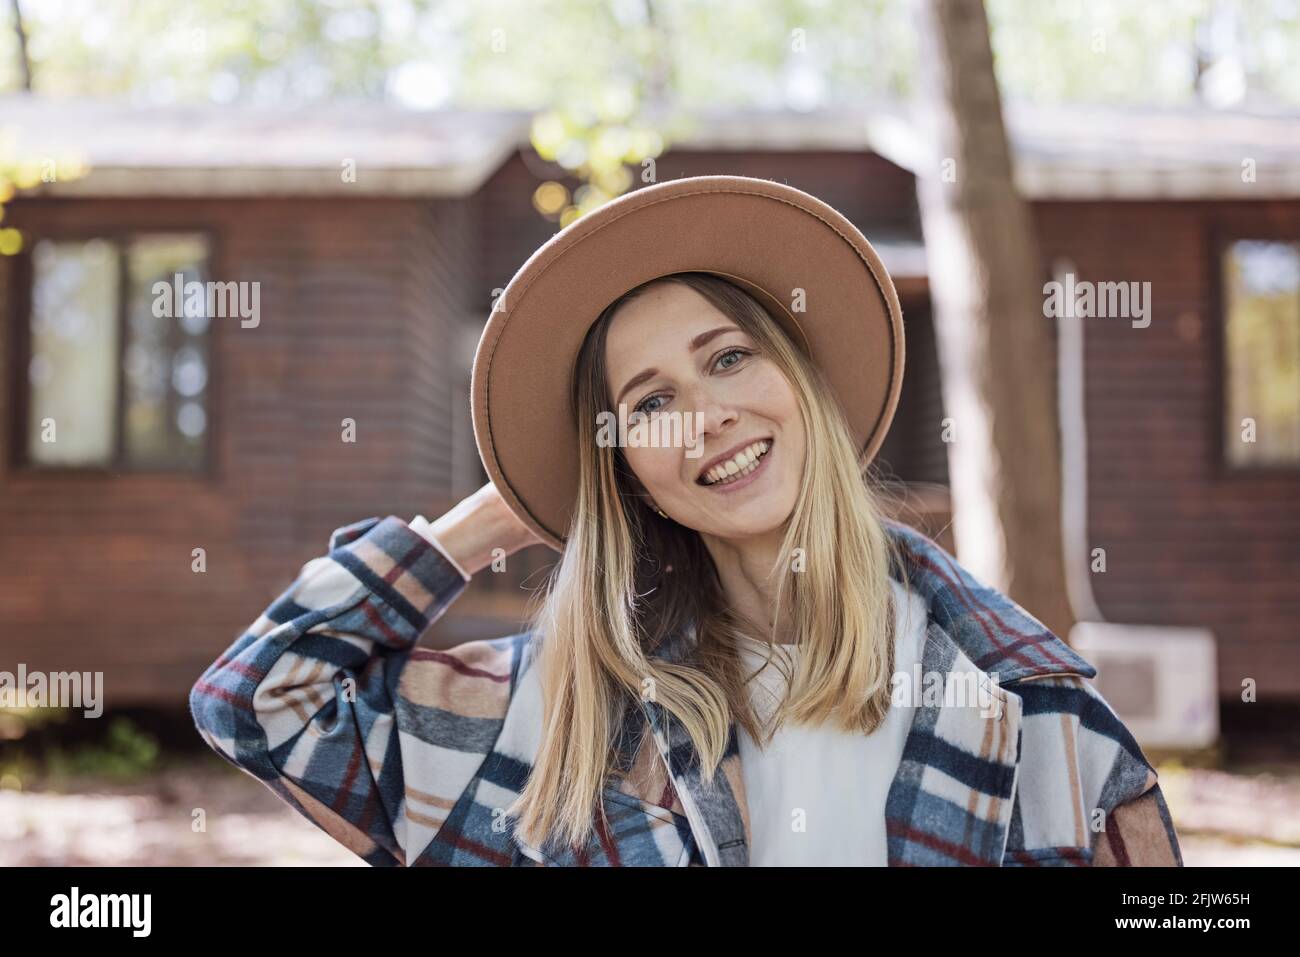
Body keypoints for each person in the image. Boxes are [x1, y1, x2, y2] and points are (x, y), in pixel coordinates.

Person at [190, 175, 1182, 867]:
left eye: (728, 359)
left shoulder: (1031, 709)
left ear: (809, 388)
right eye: (651, 403)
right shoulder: (562, 712)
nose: (708, 417)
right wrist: (493, 518)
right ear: (625, 469)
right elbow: (259, 702)